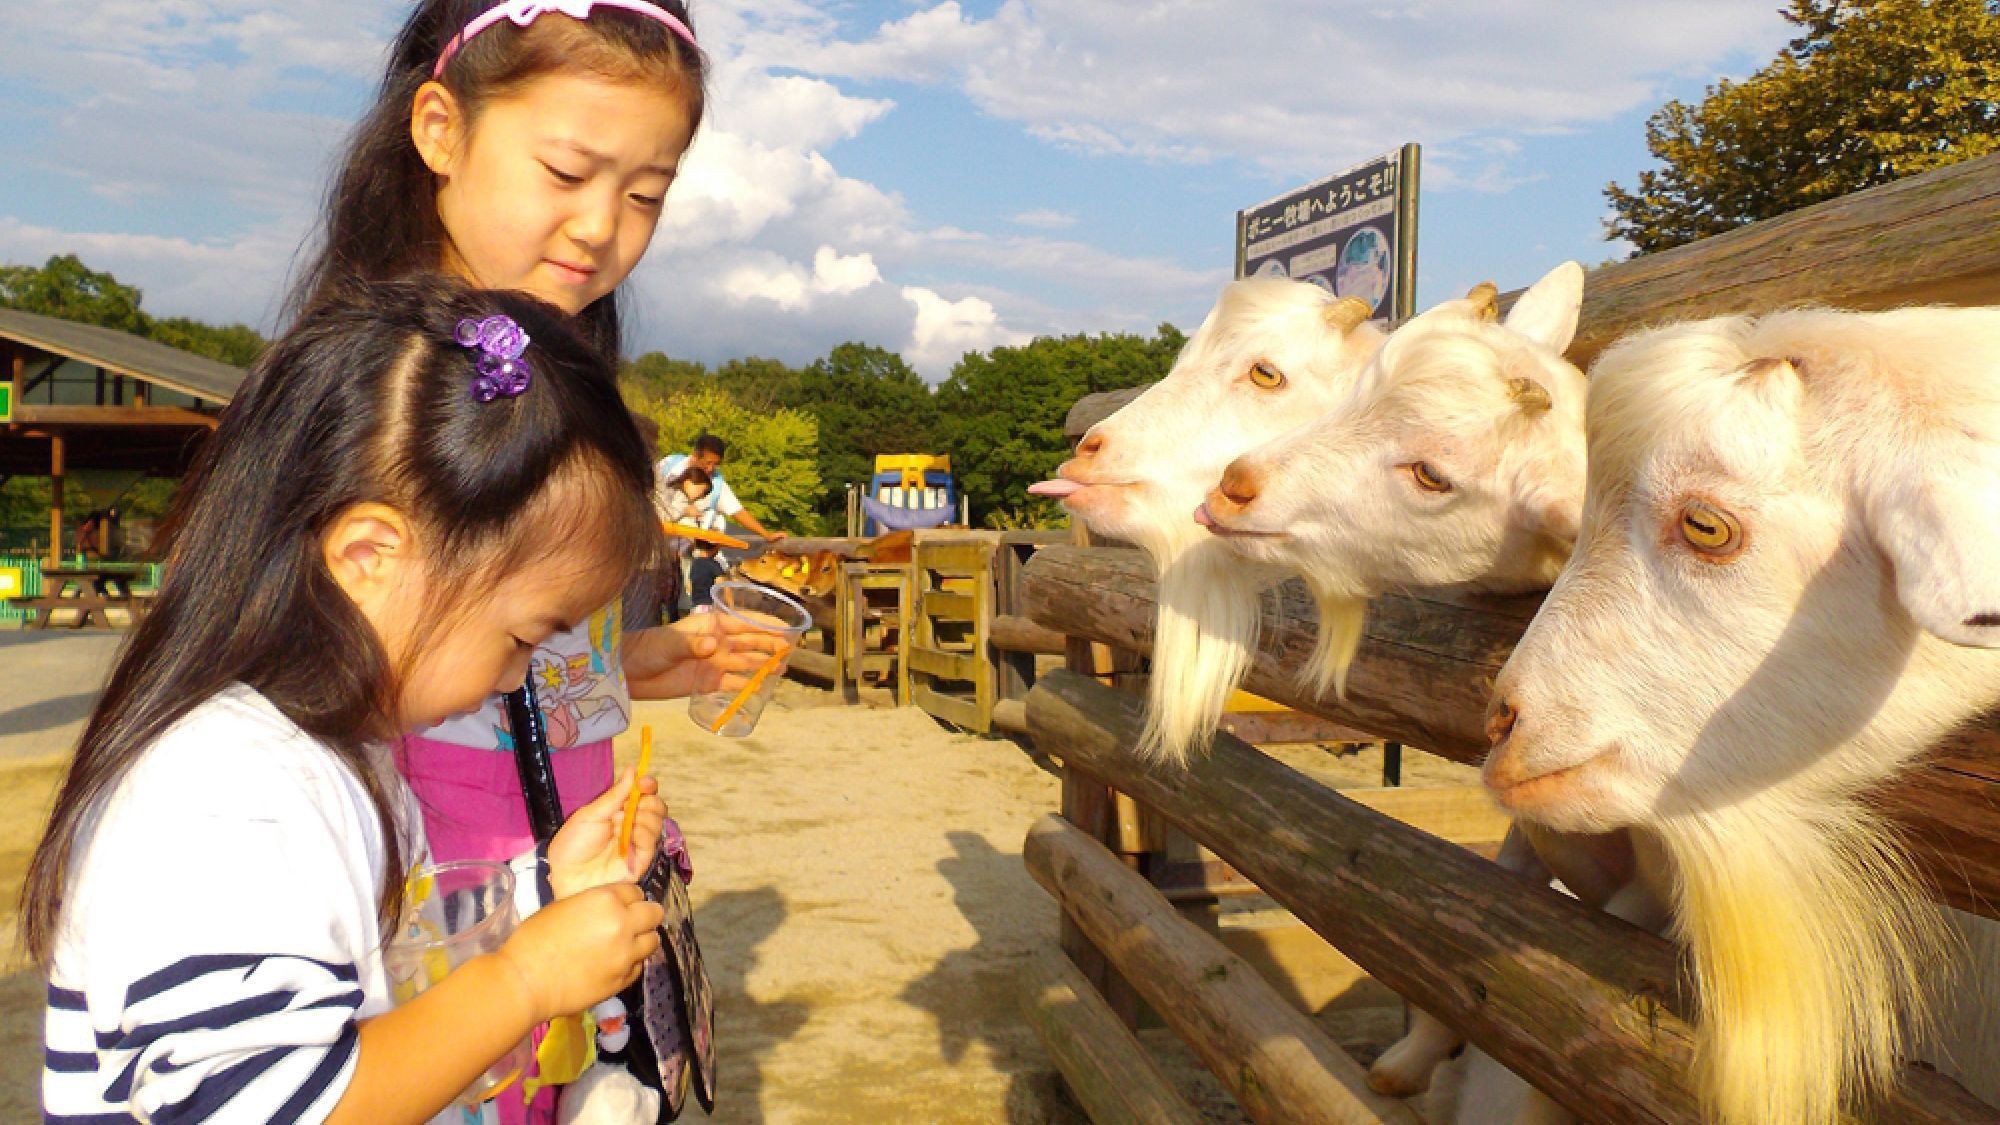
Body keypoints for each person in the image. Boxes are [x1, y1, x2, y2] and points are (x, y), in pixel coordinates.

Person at [25, 279, 736, 1124]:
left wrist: (547, 887)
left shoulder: (329, 752)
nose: (516, 680)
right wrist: (523, 980)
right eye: (518, 638)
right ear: (368, 554)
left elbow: (387, 960)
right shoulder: (231, 790)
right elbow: (267, 1104)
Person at [658, 434, 788, 608]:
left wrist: (766, 534)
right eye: (707, 463)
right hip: (658, 549)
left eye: (716, 464)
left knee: (689, 601)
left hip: (691, 553)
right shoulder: (668, 467)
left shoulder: (716, 484)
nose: (711, 468)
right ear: (695, 456)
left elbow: (738, 511)